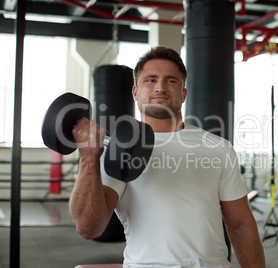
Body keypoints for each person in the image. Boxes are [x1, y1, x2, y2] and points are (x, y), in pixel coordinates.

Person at [69, 46, 266, 267]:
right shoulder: (117, 150)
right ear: (135, 92)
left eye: (171, 81)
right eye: (150, 80)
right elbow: (88, 227)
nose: (160, 87)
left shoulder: (218, 148)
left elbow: (240, 225)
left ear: (183, 94)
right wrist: (88, 157)